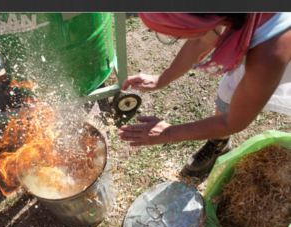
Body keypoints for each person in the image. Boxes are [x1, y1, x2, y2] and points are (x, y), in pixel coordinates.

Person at [117, 13, 291, 177]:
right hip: (256, 41)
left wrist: (168, 134)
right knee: (227, 95)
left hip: (277, 57)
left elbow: (233, 122)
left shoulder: (269, 52)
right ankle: (219, 144)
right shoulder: (218, 13)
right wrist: (161, 79)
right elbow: (202, 39)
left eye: (174, 36)